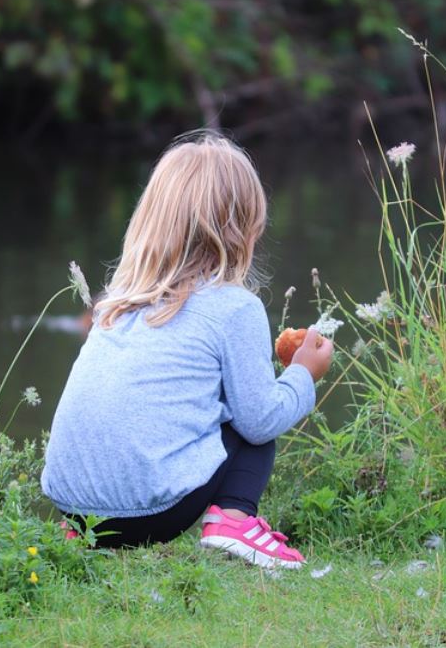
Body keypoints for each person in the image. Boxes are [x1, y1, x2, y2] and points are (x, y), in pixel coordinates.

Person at [40, 130, 333, 569]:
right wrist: (303, 374)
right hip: (154, 514)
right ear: (244, 229)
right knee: (253, 414)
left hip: (73, 509)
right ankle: (234, 521)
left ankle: (82, 533)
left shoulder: (116, 303)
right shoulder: (235, 308)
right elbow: (260, 420)